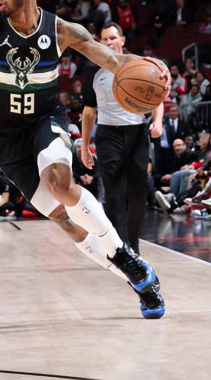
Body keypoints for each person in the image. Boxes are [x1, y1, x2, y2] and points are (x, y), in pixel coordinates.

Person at [0, 0, 166, 319]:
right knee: (66, 222)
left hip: (47, 119)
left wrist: (150, 66)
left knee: (60, 182)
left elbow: (114, 61)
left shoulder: (60, 30)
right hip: (9, 138)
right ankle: (141, 283)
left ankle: (124, 256)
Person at [80, 22, 163, 254]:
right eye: (105, 39)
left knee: (138, 193)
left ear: (122, 40)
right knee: (114, 193)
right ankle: (121, 247)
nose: (109, 42)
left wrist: (158, 121)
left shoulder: (138, 65)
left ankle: (133, 244)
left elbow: (156, 97)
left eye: (113, 38)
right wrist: (85, 147)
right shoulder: (92, 69)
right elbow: (89, 111)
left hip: (137, 132)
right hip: (107, 134)